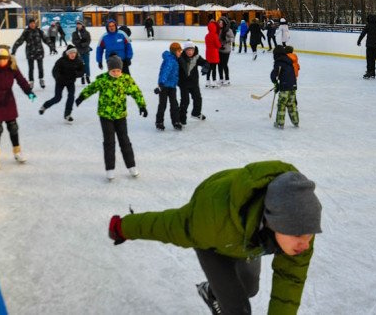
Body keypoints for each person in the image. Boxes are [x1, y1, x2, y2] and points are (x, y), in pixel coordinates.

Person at [108, 160, 322, 315]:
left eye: (310, 233)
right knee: (237, 309)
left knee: (250, 288)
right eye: (296, 234)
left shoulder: (301, 230)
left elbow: (290, 282)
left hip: (245, 240)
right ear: (273, 220)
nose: (305, 242)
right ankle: (217, 294)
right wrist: (123, 227)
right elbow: (168, 225)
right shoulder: (210, 221)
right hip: (215, 242)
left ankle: (211, 291)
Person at [75, 55, 147, 181]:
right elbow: (91, 88)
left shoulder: (125, 79)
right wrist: (81, 97)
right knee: (109, 142)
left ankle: (131, 166)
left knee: (124, 140)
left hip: (120, 115)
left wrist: (142, 106)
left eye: (118, 70)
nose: (116, 73)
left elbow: (136, 92)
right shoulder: (103, 80)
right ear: (109, 70)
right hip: (105, 115)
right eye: (113, 71)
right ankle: (110, 169)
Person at [39, 45, 85, 123]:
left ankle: (67, 114)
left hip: (70, 82)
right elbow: (55, 71)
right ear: (67, 54)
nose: (73, 54)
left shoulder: (78, 61)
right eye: (71, 53)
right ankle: (45, 106)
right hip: (60, 81)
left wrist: (76, 74)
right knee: (57, 98)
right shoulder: (61, 61)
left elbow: (82, 71)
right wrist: (58, 77)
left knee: (71, 96)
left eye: (74, 53)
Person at [11, 18, 52, 89]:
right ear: (29, 24)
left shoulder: (39, 31)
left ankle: (41, 79)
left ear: (35, 24)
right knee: (31, 68)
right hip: (30, 53)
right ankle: (31, 82)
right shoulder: (26, 32)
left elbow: (46, 39)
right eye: (31, 23)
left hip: (39, 52)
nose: (32, 24)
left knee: (40, 68)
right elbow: (20, 40)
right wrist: (14, 49)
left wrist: (52, 46)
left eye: (33, 23)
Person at [178, 40, 209, 125]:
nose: (190, 52)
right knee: (185, 101)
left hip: (194, 83)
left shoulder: (197, 57)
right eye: (188, 50)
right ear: (185, 50)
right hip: (183, 83)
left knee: (198, 98)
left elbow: (206, 62)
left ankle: (196, 113)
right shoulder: (180, 58)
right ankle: (181, 119)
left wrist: (206, 67)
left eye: (191, 50)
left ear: (194, 50)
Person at [155, 42, 182, 130]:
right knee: (163, 104)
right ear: (174, 51)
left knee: (174, 104)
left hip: (172, 86)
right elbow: (165, 72)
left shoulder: (174, 60)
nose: (180, 53)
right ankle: (159, 122)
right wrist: (161, 84)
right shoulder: (170, 60)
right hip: (165, 86)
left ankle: (176, 121)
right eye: (178, 51)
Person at [271, 45, 299, 129]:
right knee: (292, 104)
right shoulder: (289, 60)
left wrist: (276, 83)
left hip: (285, 85)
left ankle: (280, 123)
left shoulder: (279, 62)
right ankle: (296, 122)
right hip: (293, 85)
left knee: (281, 104)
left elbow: (273, 75)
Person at [357, 14, 376, 79]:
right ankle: (373, 73)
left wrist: (359, 41)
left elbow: (363, 34)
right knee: (373, 59)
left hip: (369, 45)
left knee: (369, 59)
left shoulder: (368, 26)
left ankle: (369, 72)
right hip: (375, 46)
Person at [72, 19, 92, 84]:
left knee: (87, 64)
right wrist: (80, 42)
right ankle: (82, 77)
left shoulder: (87, 33)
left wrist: (83, 44)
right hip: (78, 51)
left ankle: (87, 76)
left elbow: (88, 41)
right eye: (77, 24)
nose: (78, 25)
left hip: (86, 50)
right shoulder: (74, 33)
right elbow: (73, 41)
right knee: (80, 64)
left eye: (79, 24)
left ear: (82, 25)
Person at [218, 16, 234, 86]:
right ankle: (221, 78)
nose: (220, 24)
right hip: (219, 50)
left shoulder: (229, 30)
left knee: (224, 64)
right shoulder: (218, 30)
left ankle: (227, 79)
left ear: (224, 23)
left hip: (226, 50)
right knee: (219, 65)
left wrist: (227, 39)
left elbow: (232, 39)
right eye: (219, 22)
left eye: (221, 22)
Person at [204, 21, 221, 88]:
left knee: (208, 68)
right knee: (214, 68)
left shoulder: (207, 36)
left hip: (208, 53)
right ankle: (214, 82)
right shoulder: (215, 35)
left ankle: (207, 82)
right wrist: (220, 45)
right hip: (214, 53)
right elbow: (217, 45)